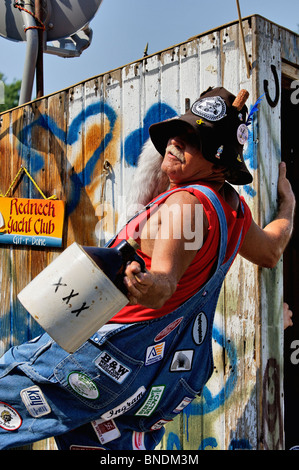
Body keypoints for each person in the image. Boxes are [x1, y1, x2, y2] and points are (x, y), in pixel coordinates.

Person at [0, 87, 295, 450]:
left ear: (220, 164)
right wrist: (289, 204)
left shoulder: (184, 205)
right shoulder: (231, 209)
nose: (176, 141)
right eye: (179, 131)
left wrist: (145, 281)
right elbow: (271, 250)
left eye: (195, 139)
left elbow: (165, 283)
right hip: (159, 383)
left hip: (103, 357)